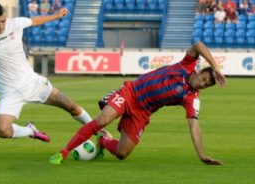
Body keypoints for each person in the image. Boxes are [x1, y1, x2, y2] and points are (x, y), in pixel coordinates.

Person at [49, 41, 227, 165]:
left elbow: (194, 126)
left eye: (206, 85)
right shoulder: (186, 64)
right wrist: (216, 67)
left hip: (142, 112)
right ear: (200, 71)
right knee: (102, 120)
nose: (202, 83)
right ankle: (64, 152)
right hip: (130, 92)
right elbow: (198, 45)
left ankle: (103, 141)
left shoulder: (192, 99)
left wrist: (202, 155)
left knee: (122, 153)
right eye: (204, 78)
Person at [0, 3, 92, 143]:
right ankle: (30, 131)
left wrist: (56, 15)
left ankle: (99, 130)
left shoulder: (16, 24)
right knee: (2, 130)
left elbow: (34, 21)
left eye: (2, 21)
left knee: (71, 106)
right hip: (9, 93)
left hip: (33, 84)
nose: (0, 25)